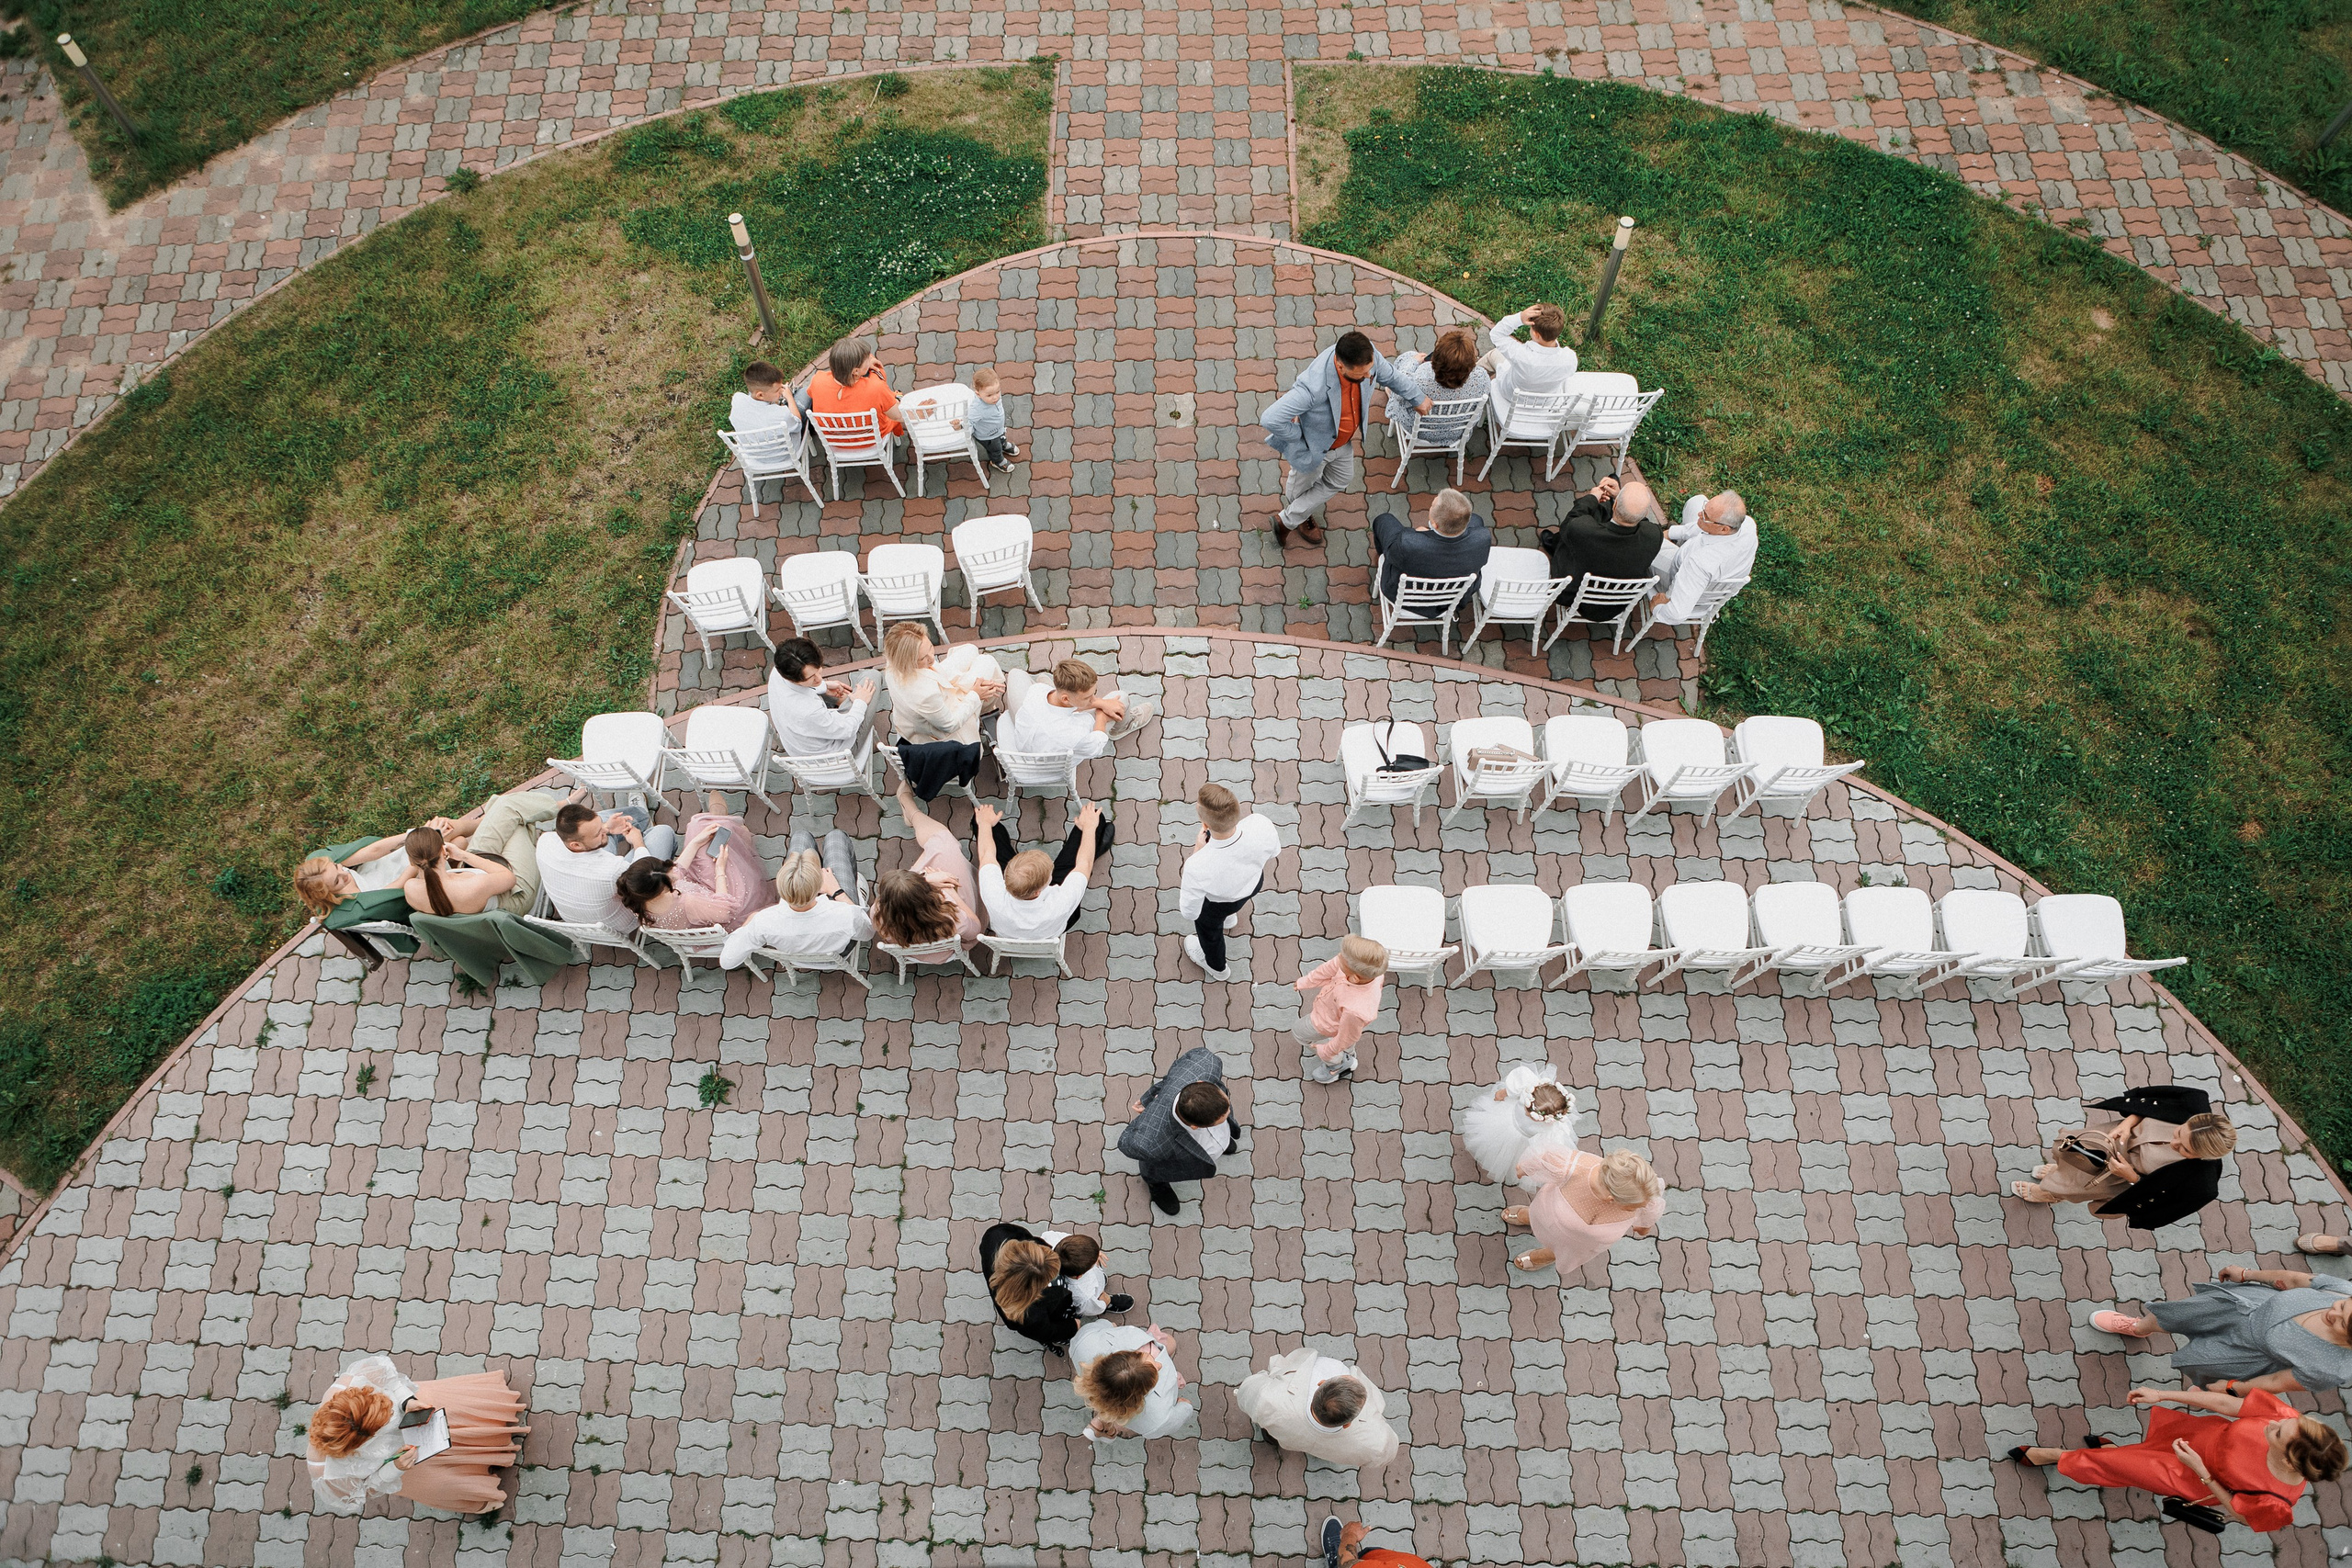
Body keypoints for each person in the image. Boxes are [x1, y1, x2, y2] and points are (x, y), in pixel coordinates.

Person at [2008, 1384, 2346, 1534]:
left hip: (2185, 1473)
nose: (2273, 1423)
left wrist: (2200, 1471)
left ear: (2289, 1462)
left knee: (2115, 1467)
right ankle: (2112, 1451)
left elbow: (2239, 1514)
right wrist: (2163, 1395)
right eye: (2286, 1422)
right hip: (2195, 1437)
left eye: (2276, 1434)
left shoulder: (2278, 1504)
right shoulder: (2289, 1422)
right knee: (2134, 1453)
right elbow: (2230, 1407)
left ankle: (2054, 1456)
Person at [1261, 330, 1430, 549]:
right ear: (1340, 367)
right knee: (1301, 487)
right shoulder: (1313, 387)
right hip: (1314, 448)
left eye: (1370, 371)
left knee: (1341, 478)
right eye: (1362, 375)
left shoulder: (1367, 355)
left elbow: (1391, 376)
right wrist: (1302, 438)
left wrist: (1417, 397)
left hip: (1342, 442)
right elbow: (1270, 418)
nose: (1370, 377)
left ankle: (1287, 519)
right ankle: (1298, 517)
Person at [305, 1353, 528, 1516]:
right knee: (438, 1484)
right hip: (403, 1465)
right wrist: (394, 1468)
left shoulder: (350, 1386)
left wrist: (406, 1401)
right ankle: (475, 1492)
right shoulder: (328, 1473)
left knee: (447, 1405)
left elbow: (391, 1381)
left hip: (414, 1417)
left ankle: (493, 1426)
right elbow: (365, 1489)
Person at [2092, 1268, 2352, 1393]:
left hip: (2243, 1354)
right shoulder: (2344, 1290)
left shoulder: (2332, 1368)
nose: (2332, 1312)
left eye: (2340, 1323)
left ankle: (2200, 1393)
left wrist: (2232, 1388)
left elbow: (2277, 1382)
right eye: (2341, 1306)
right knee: (2178, 1313)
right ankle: (2138, 1328)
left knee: (2202, 1372)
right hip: (2242, 1306)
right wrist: (2247, 1274)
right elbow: (2296, 1280)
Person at [2009, 1085, 2236, 1226]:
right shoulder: (2192, 1104)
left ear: (2202, 1156)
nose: (2173, 1143)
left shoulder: (2202, 1185)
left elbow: (2161, 1205)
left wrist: (2132, 1178)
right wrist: (2128, 1124)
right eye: (2178, 1133)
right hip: (2116, 1137)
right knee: (2069, 1152)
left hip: (2121, 1174)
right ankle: (2059, 1174)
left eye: (2184, 1149)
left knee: (2075, 1185)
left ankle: (2053, 1193)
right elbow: (2149, 1107)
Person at [615, 792, 778, 932]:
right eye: (669, 875)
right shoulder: (688, 903)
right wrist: (720, 870)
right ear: (665, 888)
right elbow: (726, 912)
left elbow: (678, 871)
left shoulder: (638, 898)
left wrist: (696, 842)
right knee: (724, 857)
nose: (672, 869)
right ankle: (734, 830)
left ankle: (723, 823)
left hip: (697, 890)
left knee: (697, 827)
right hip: (724, 904)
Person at [1117, 1046, 1241, 1216]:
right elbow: (1125, 1143)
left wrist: (1152, 1097)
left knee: (1223, 1137)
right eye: (1220, 1121)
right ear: (1195, 1127)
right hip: (1174, 1158)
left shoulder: (1206, 1063)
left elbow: (1173, 1078)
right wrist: (1151, 1115)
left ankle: (1224, 1142)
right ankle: (1157, 1185)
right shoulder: (1149, 1145)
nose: (1229, 1114)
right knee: (1154, 1170)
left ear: (1199, 1083)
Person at [1178, 783, 1283, 981]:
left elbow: (1190, 911)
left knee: (1210, 934)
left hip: (1217, 905)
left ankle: (1217, 968)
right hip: (1253, 884)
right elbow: (1275, 851)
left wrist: (1198, 849)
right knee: (1234, 901)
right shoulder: (1260, 823)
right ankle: (1230, 918)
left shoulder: (1198, 865)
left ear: (1205, 825)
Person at [719, 833, 871, 970]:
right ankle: (851, 880)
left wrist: (749, 922)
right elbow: (867, 933)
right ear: (819, 887)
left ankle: (805, 876)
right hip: (838, 952)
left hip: (795, 957)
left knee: (801, 837)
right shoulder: (845, 913)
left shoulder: (763, 921)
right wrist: (837, 892)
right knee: (836, 837)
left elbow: (727, 962)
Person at [1507, 1145, 1664, 1276]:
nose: (1645, 1206)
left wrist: (1644, 1225)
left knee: (1564, 1252)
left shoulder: (1645, 1194)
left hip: (1578, 1247)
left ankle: (1547, 1256)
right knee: (1539, 1217)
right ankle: (1529, 1216)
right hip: (1548, 1213)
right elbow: (1538, 1162)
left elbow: (1644, 1225)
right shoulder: (1573, 1167)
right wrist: (1525, 1169)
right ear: (1612, 1199)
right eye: (1634, 1208)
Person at [1237, 1348, 1400, 1469]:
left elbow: (1246, 1392)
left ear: (1321, 1384)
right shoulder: (1376, 1443)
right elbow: (1387, 1454)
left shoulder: (1268, 1399)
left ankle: (1271, 1437)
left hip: (1286, 1433)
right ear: (1347, 1424)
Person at [535, 800, 680, 933]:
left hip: (576, 917)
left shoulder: (545, 840)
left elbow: (601, 831)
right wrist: (637, 843)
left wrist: (606, 827)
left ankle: (640, 815)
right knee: (663, 832)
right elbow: (644, 871)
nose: (604, 832)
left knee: (608, 818)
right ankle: (644, 825)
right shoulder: (613, 871)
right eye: (598, 833)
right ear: (576, 845)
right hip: (618, 923)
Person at [974, 799, 1109, 938]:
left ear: (1006, 874)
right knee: (1095, 820)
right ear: (1038, 892)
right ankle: (1095, 843)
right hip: (1054, 925)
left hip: (1009, 931)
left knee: (980, 824)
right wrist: (1089, 828)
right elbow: (1084, 864)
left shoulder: (994, 895)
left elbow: (986, 855)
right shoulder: (1061, 902)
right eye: (1049, 873)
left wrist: (984, 823)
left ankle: (1094, 842)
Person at [872, 784, 982, 949]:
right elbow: (976, 929)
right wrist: (951, 894)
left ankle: (910, 810)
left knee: (940, 851)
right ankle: (910, 809)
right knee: (943, 843)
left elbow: (902, 897)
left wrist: (926, 878)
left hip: (917, 951)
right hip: (953, 930)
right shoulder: (953, 918)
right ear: (925, 894)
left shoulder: (879, 915)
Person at [1540, 475, 1664, 608]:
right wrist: (1617, 495)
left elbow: (1570, 522)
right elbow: (1638, 521)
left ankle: (1554, 543)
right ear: (1645, 515)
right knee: (1600, 514)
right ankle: (1606, 505)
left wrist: (1592, 498)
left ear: (1615, 505)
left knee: (1568, 537)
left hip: (1575, 598)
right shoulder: (1654, 535)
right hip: (1616, 605)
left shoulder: (1583, 531)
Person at [1000, 658, 1156, 758]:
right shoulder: (1076, 732)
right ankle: (1122, 726)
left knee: (1018, 675)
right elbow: (1095, 748)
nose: (1094, 698)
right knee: (1121, 697)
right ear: (1066, 698)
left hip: (1027, 741)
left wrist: (1099, 703)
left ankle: (1058, 690)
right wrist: (1101, 715)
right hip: (1052, 762)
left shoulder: (1036, 691)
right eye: (1088, 697)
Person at [882, 622, 1005, 746]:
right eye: (923, 658)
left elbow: (931, 670)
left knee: (970, 649)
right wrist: (975, 695)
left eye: (930, 647)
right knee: (987, 662)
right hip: (948, 724)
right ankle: (985, 707)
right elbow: (950, 725)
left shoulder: (893, 662)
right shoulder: (925, 695)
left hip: (938, 684)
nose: (931, 658)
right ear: (907, 661)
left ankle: (978, 688)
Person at [1369, 487, 1492, 612]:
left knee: (1383, 520)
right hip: (1452, 599)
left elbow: (1401, 546)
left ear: (1434, 524)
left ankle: (1381, 554)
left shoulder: (1407, 543)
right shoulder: (1483, 538)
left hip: (1406, 598)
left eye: (1432, 505)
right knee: (1477, 520)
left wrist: (1419, 536)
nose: (1431, 504)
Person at [1070, 1317, 1195, 1438]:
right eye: (1155, 1372)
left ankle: (1103, 1419)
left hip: (1101, 1397)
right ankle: (1107, 1422)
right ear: (1142, 1391)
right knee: (1171, 1343)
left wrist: (1110, 1326)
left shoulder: (1085, 1343)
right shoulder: (1158, 1420)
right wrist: (1185, 1406)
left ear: (1122, 1354)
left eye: (1140, 1355)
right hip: (1132, 1415)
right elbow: (1183, 1409)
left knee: (1112, 1407)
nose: (1159, 1364)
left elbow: (1102, 1325)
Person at [1647, 491, 1759, 625]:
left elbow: (1676, 614)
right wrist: (1671, 533)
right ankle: (1677, 538)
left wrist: (1658, 608)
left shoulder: (1699, 562)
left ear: (1724, 529)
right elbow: (1700, 529)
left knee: (1647, 539)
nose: (1700, 514)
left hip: (1680, 582)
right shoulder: (1748, 524)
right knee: (1697, 500)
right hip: (1716, 587)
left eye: (1705, 516)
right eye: (1704, 510)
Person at [1457, 1063, 1577, 1187]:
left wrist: (1526, 1167)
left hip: (1517, 1140)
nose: (1526, 1113)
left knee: (1506, 1156)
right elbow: (1502, 1094)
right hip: (1503, 1122)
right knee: (1490, 1141)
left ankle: (1502, 1162)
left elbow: (1541, 1152)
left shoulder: (1553, 1130)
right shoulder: (1526, 1089)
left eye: (1531, 1115)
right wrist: (1500, 1096)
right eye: (1527, 1109)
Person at [1292, 935, 1389, 1084]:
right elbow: (1331, 967)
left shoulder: (1356, 1011)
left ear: (1354, 978)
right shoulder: (1371, 971)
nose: (1338, 957)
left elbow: (1347, 1036)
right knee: (1346, 1037)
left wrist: (1327, 1051)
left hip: (1327, 1022)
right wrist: (1306, 982)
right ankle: (1348, 1053)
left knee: (1300, 1033)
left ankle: (1338, 1064)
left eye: (1342, 959)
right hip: (1340, 1019)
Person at [978, 1224, 1083, 1355]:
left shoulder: (996, 1234)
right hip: (1046, 1319)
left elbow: (1030, 1238)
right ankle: (1050, 1342)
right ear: (1035, 1287)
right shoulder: (1026, 1316)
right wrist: (1072, 1326)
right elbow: (1047, 1330)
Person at [767, 637, 876, 759]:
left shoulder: (778, 672)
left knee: (847, 695)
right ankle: (851, 703)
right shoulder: (810, 711)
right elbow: (848, 730)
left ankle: (847, 703)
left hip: (799, 743)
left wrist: (824, 687)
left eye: (818, 670)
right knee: (873, 676)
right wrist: (860, 702)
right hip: (836, 753)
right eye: (811, 677)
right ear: (792, 678)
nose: (819, 679)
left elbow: (802, 690)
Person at [1385, 326, 1491, 443]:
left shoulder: (1420, 377)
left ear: (1435, 359)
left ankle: (1389, 389)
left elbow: (1400, 396)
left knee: (1408, 358)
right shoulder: (1482, 378)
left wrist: (1414, 361)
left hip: (1418, 429)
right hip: (1456, 431)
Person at [1480, 303, 1577, 425]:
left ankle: (1468, 377)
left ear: (1536, 334)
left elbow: (1496, 334)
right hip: (1544, 403)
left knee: (1494, 354)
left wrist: (1519, 318)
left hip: (1510, 396)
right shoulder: (1570, 359)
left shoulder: (1520, 355)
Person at [396, 826, 516, 919]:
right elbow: (510, 877)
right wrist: (463, 855)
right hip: (512, 902)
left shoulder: (411, 889)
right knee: (518, 830)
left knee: (504, 816)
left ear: (411, 862)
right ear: (444, 851)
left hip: (479, 920)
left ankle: (496, 805)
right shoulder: (473, 885)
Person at [807, 336, 904, 439]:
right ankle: (895, 398)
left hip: (837, 442)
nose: (870, 359)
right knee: (892, 402)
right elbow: (898, 416)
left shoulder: (817, 380)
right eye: (867, 360)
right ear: (856, 371)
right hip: (871, 440)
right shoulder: (876, 387)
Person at [1036, 1227, 1132, 1318]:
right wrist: (1103, 1303)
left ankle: (1102, 1282)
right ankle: (1108, 1302)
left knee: (1100, 1279)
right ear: (1079, 1276)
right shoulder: (1083, 1295)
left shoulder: (1052, 1240)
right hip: (1094, 1293)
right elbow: (1089, 1309)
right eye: (1094, 1263)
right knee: (1099, 1295)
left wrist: (1091, 1252)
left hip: (1090, 1279)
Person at [1315, 1517, 1435, 1568]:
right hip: (1383, 1558)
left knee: (1343, 1563)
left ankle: (1335, 1561)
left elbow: (1347, 1564)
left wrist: (1349, 1535)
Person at [730, 359, 803, 441]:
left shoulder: (737, 399)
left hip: (751, 452)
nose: (782, 390)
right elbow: (798, 425)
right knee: (804, 394)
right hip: (785, 452)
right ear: (760, 395)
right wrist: (789, 397)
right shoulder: (782, 414)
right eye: (777, 390)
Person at [967, 366, 1020, 470]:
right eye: (990, 395)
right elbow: (969, 422)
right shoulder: (977, 409)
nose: (995, 397)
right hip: (988, 436)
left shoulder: (994, 398)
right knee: (994, 449)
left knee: (1001, 438)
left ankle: (1003, 445)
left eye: (997, 392)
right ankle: (997, 461)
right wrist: (959, 427)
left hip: (998, 428)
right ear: (978, 394)